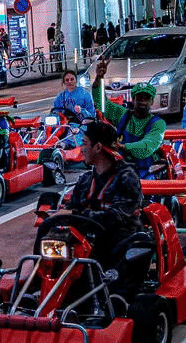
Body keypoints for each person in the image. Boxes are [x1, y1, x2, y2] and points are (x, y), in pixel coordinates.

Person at [38, 121, 144, 287]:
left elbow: (116, 218)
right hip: (87, 236)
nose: (81, 148)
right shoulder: (86, 180)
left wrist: (74, 216)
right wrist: (58, 217)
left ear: (98, 147)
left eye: (85, 143)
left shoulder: (127, 177)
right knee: (48, 232)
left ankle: (100, 296)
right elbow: (73, 208)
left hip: (117, 240)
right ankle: (40, 286)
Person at [91, 57, 166, 179]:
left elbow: (147, 146)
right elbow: (102, 105)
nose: (142, 101)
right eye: (139, 98)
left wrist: (124, 147)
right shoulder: (122, 114)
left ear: (152, 101)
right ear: (132, 99)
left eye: (146, 98)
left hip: (146, 171)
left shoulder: (158, 124)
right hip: (121, 168)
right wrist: (99, 78)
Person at [51, 71, 95, 146]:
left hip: (80, 124)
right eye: (67, 80)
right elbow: (55, 112)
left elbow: (92, 115)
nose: (69, 82)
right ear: (64, 82)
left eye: (72, 79)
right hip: (64, 124)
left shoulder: (85, 94)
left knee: (73, 134)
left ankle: (66, 145)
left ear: (76, 80)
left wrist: (82, 111)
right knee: (49, 131)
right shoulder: (60, 97)